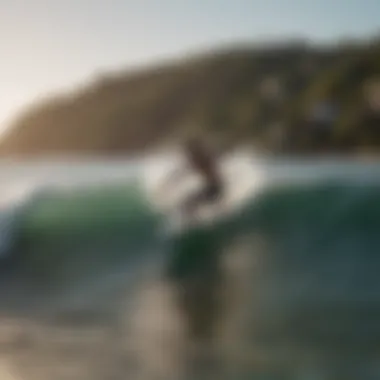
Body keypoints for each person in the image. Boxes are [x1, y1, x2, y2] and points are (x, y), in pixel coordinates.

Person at [162, 136, 225, 219]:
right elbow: (186, 170)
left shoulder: (202, 161)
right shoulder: (202, 160)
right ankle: (193, 219)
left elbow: (189, 168)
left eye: (189, 152)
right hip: (213, 188)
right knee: (187, 204)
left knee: (188, 204)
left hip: (215, 189)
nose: (188, 155)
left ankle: (193, 220)